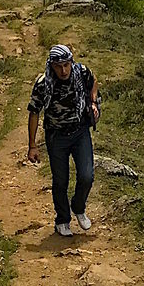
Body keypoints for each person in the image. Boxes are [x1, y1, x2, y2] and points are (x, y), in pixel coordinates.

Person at [26, 43, 98, 237]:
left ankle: (78, 206)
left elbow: (94, 82)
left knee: (86, 175)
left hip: (80, 131)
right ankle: (62, 220)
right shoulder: (44, 83)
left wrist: (92, 102)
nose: (63, 70)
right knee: (60, 180)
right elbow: (34, 112)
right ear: (52, 66)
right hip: (56, 137)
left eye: (66, 65)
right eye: (58, 66)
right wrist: (32, 145)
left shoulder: (81, 72)